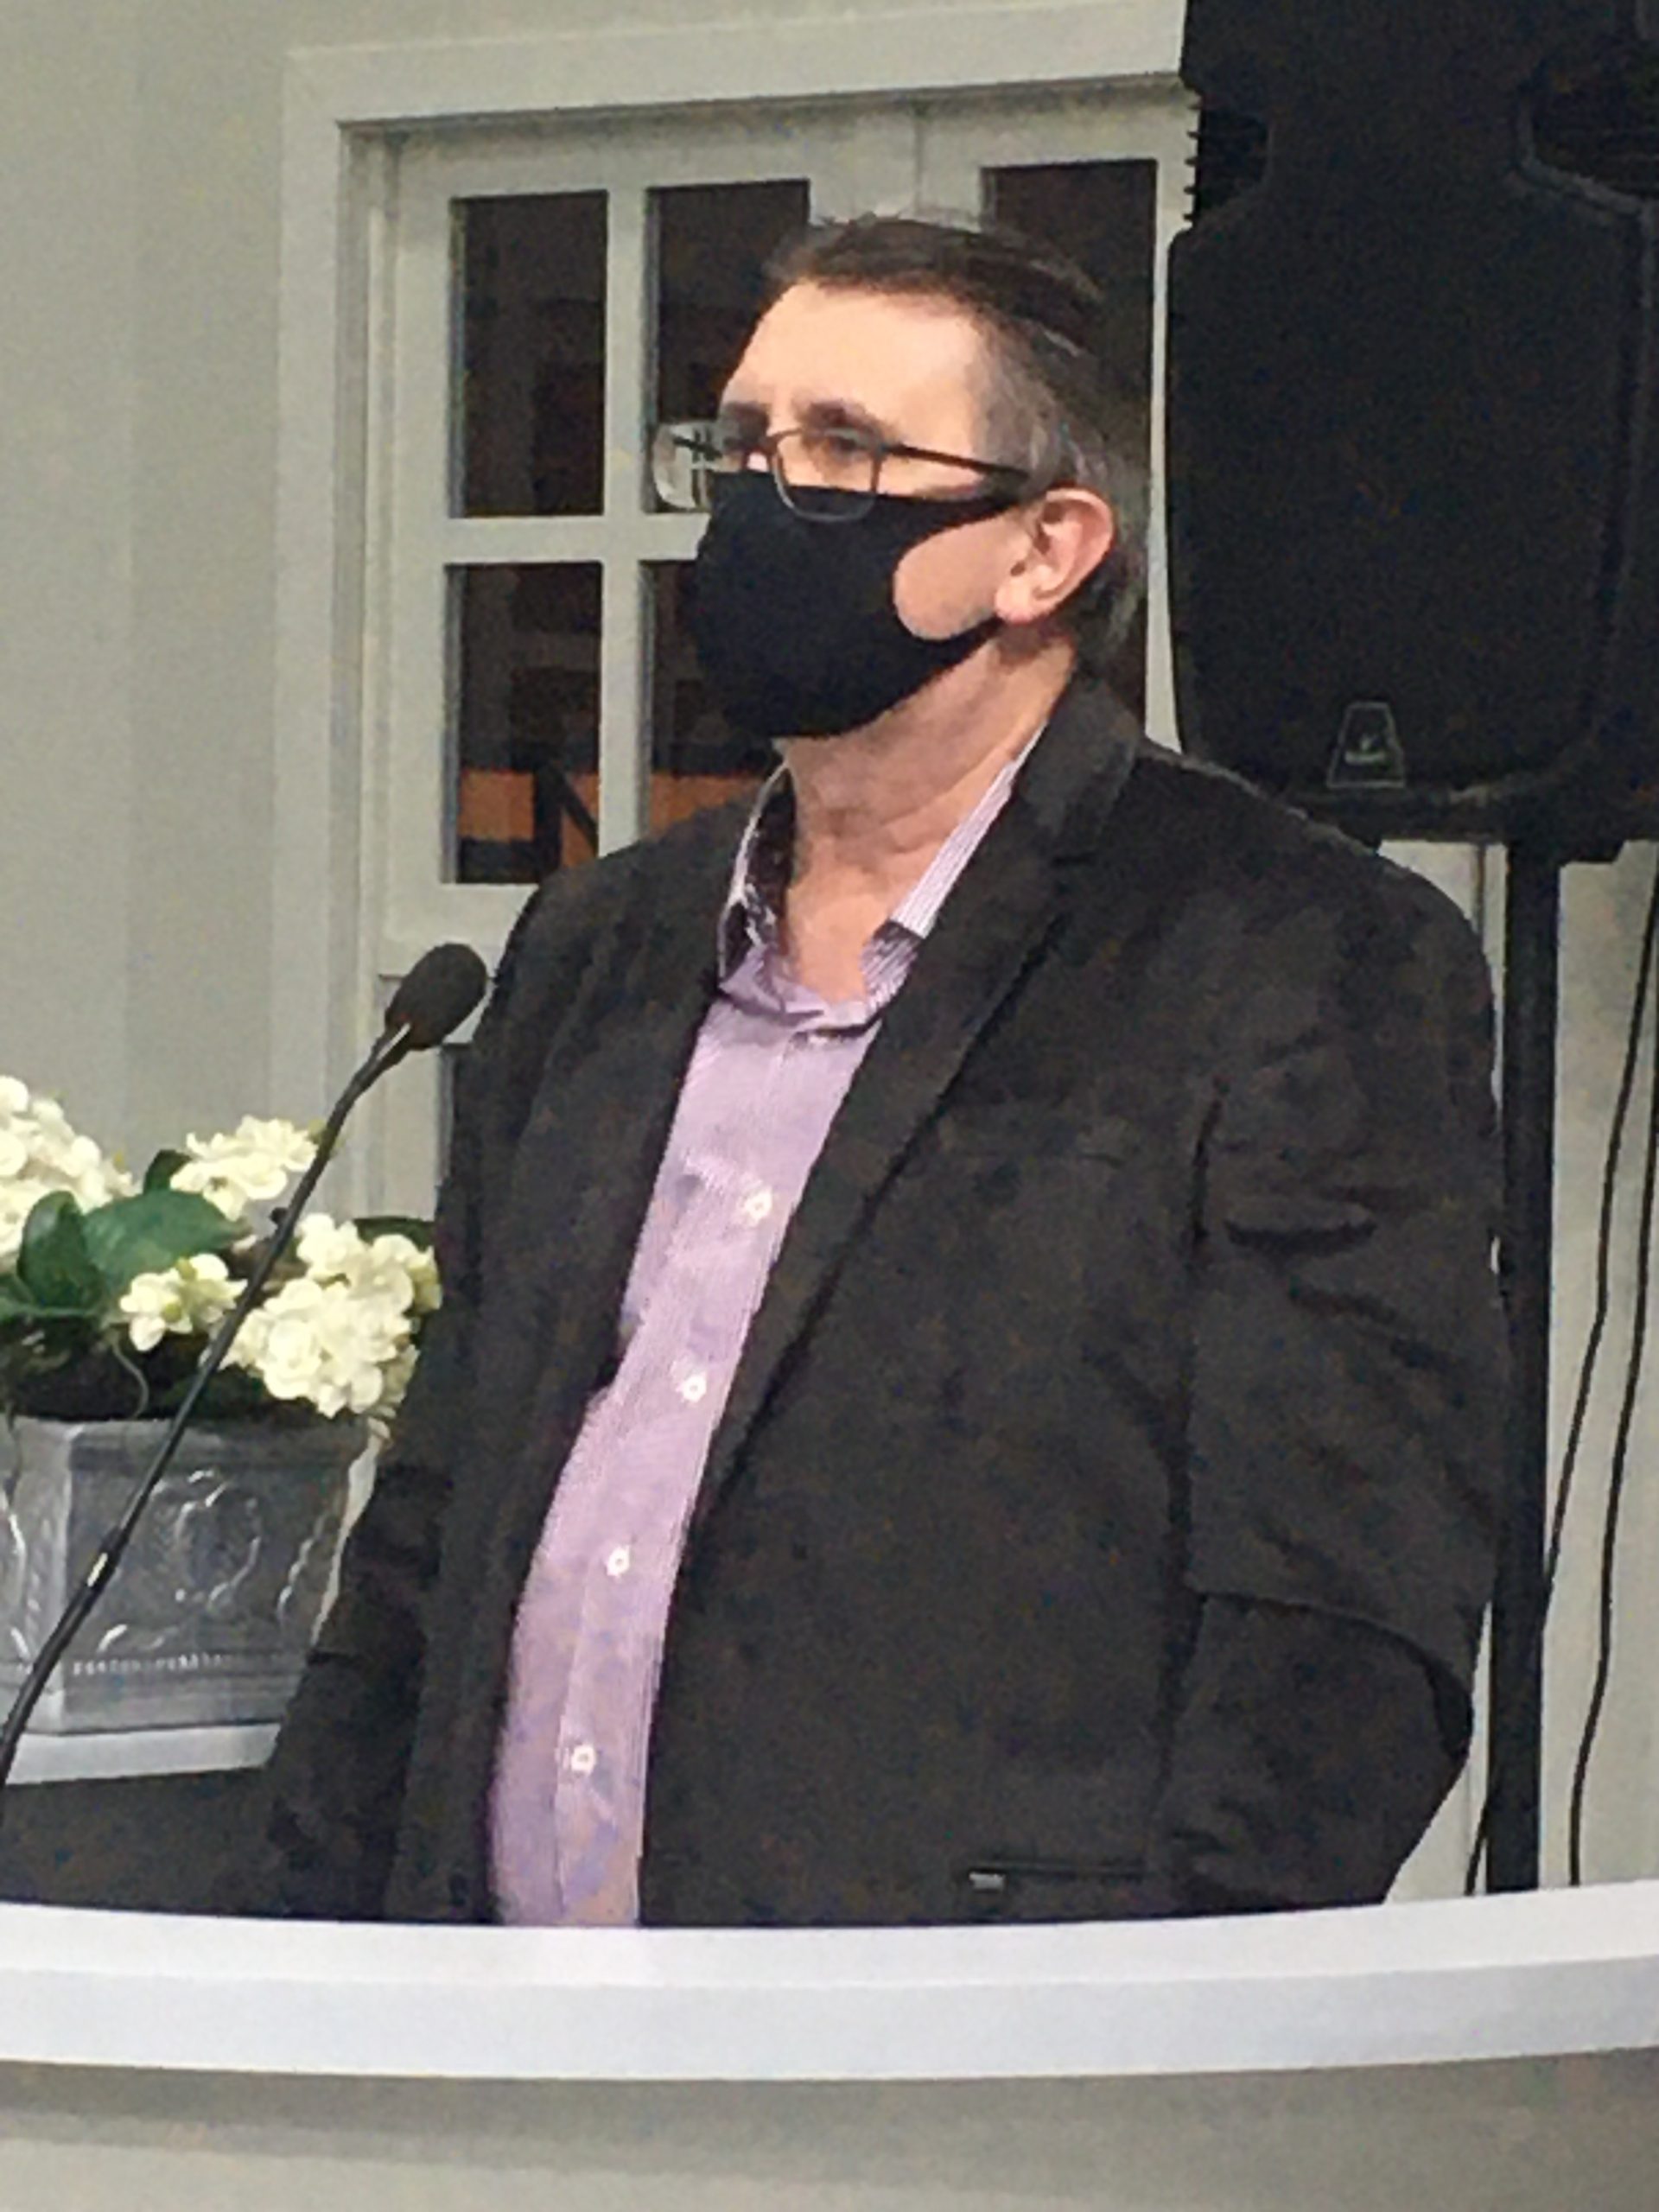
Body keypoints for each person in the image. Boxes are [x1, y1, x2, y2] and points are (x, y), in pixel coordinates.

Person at [249, 214, 1508, 1929]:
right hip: (505, 2034)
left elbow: (1340, 1624)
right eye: (740, 446)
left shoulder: (1288, 951)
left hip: (979, 2044)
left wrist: (1145, 2030)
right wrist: (313, 1955)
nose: (766, 499)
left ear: (1043, 548)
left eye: (843, 450)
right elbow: (438, 1518)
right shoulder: (597, 947)